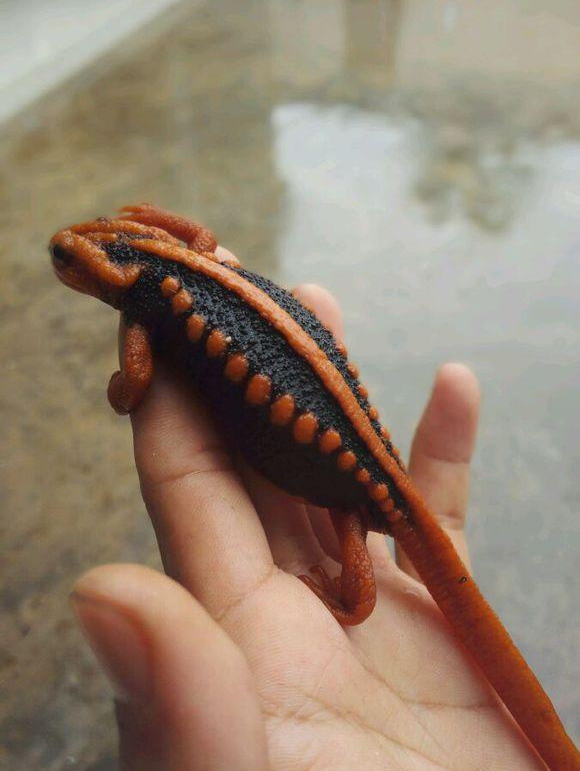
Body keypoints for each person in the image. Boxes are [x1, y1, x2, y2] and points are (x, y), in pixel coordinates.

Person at [70, 274, 542, 769]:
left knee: (356, 544)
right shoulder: (165, 280)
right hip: (366, 468)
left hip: (358, 487)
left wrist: (346, 603)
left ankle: (349, 601)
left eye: (66, 262)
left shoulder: (148, 296)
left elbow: (130, 388)